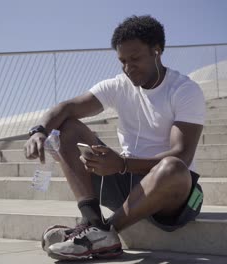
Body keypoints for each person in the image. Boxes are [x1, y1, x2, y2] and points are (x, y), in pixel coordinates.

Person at [24, 15, 205, 261]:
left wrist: (122, 164)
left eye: (135, 59)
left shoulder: (185, 90)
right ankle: (92, 222)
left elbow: (182, 155)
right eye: (122, 61)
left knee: (172, 168)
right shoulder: (120, 85)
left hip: (171, 193)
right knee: (68, 128)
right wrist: (39, 131)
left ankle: (102, 233)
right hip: (126, 179)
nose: (128, 68)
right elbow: (67, 107)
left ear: (157, 51)